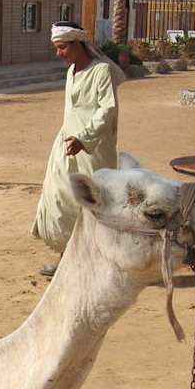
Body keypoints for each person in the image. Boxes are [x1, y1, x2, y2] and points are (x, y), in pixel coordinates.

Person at [33, 22, 125, 277]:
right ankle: (66, 260)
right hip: (65, 145)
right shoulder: (71, 71)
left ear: (77, 44)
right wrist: (70, 139)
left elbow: (107, 110)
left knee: (92, 203)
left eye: (62, 47)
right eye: (56, 48)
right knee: (61, 199)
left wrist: (83, 139)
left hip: (92, 150)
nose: (59, 54)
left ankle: (96, 263)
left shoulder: (101, 71)